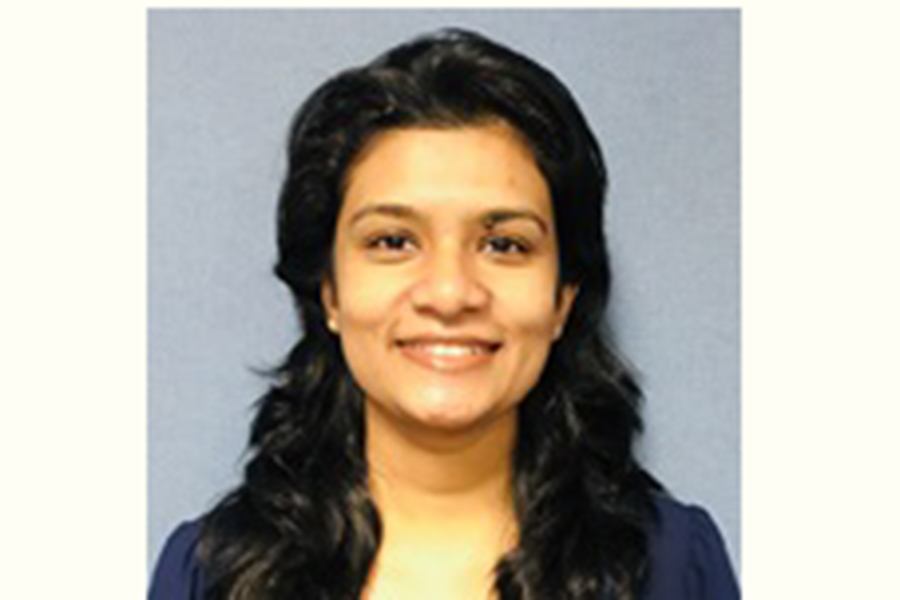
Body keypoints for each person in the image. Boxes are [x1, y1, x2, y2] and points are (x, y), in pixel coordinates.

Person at [149, 28, 739, 600]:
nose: (451, 293)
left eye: (505, 244)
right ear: (329, 290)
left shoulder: (672, 566)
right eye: (393, 241)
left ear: (564, 298)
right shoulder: (208, 575)